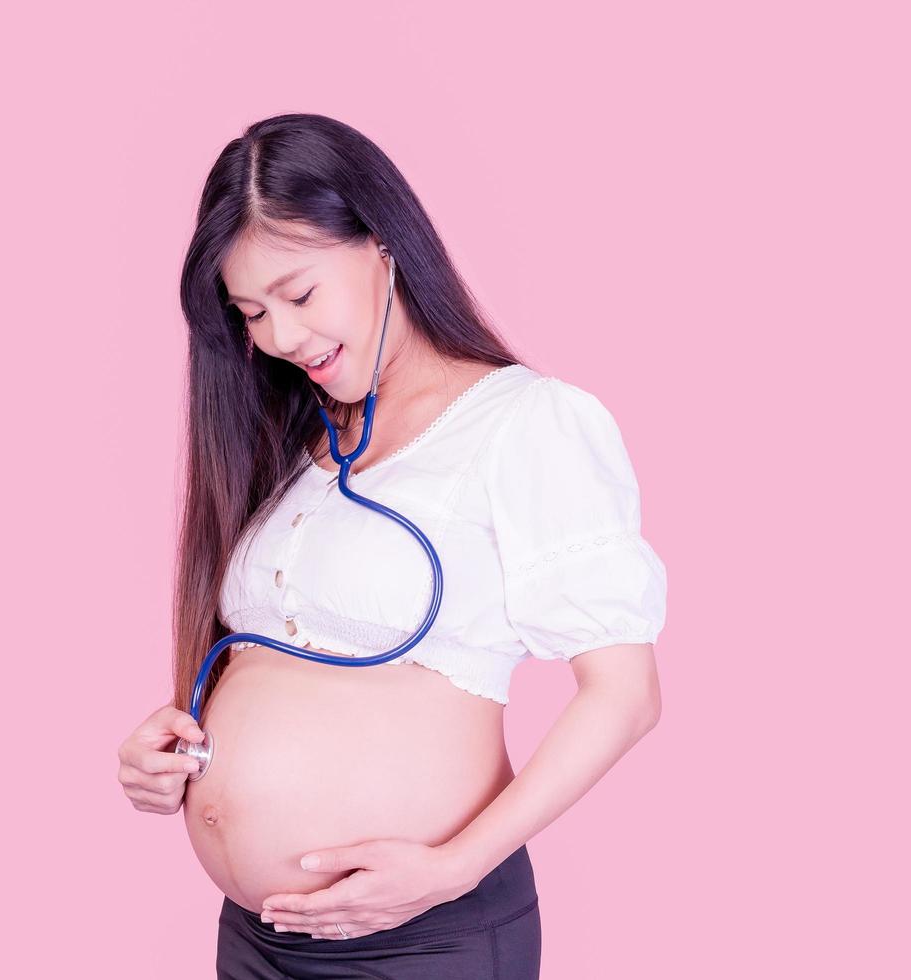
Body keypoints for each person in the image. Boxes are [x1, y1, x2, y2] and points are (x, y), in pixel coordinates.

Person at [115, 113, 667, 979]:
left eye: (299, 295)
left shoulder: (523, 424)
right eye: (250, 312)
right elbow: (271, 656)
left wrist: (455, 865)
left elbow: (624, 696)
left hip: (422, 938)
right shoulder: (290, 441)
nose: (281, 339)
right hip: (255, 939)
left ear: (381, 244)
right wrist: (171, 752)